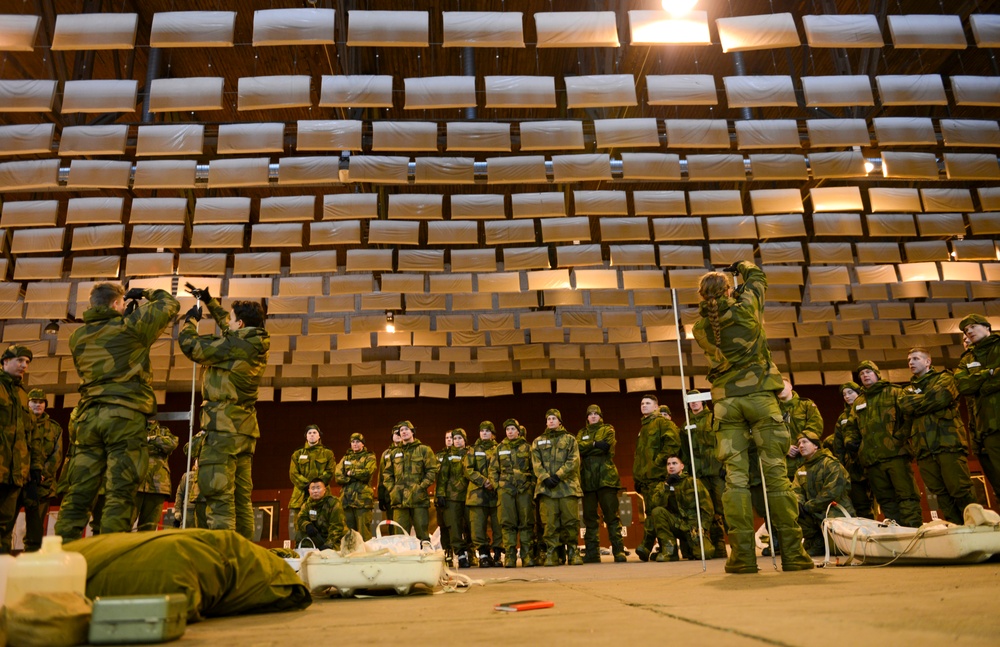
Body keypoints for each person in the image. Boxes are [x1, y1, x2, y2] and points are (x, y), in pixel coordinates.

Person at [692, 261, 814, 573]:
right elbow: (758, 277)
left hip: (726, 402)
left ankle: (743, 557)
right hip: (761, 398)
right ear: (729, 289)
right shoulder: (747, 307)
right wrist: (740, 266)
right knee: (776, 479)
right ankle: (794, 555)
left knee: (735, 481)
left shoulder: (700, 328)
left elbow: (721, 310)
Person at [56, 283, 179, 541]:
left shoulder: (76, 337)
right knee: (121, 491)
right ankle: (111, 553)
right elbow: (169, 304)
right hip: (124, 417)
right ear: (115, 304)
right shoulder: (131, 327)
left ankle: (61, 552)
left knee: (79, 491)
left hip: (88, 418)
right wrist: (147, 292)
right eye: (121, 303)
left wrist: (125, 314)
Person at [178, 285, 269, 539]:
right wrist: (208, 301)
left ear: (240, 324)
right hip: (244, 432)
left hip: (222, 431)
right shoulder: (253, 342)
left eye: (231, 319)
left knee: (219, 498)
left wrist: (189, 322)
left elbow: (190, 346)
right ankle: (244, 557)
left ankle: (224, 561)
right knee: (241, 501)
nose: (227, 323)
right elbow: (230, 327)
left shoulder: (233, 346)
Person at [901, 347, 977, 525]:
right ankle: (957, 529)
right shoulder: (907, 390)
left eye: (916, 358)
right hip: (924, 450)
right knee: (940, 493)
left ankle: (976, 526)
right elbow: (906, 406)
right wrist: (928, 399)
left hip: (948, 444)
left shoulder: (945, 378)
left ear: (928, 362)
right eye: (909, 360)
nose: (911, 362)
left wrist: (919, 402)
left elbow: (941, 398)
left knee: (960, 489)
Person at [843, 360, 923, 528]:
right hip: (872, 460)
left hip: (896, 454)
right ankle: (896, 532)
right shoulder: (858, 402)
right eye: (861, 374)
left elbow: (909, 417)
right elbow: (851, 426)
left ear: (877, 374)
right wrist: (853, 443)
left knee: (906, 494)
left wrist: (899, 438)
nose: (864, 375)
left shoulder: (895, 392)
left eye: (868, 372)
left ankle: (912, 530)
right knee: (885, 498)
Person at [954, 313, 1000, 500]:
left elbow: (972, 385)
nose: (969, 332)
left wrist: (980, 386)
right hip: (984, 427)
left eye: (972, 327)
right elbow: (964, 386)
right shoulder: (966, 359)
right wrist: (989, 374)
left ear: (987, 327)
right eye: (966, 330)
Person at [0, 346, 41, 553]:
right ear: (5, 362)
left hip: (15, 475)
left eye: (27, 362)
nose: (24, 365)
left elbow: (31, 435)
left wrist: (34, 468)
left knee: (5, 527)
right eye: (20, 360)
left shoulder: (23, 395)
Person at [531, 409, 583, 566]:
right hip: (547, 489)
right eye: (548, 419)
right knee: (549, 523)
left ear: (560, 421)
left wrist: (558, 475)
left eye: (554, 418)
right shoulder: (538, 441)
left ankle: (573, 552)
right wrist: (545, 477)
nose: (551, 421)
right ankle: (552, 553)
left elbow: (574, 460)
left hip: (567, 487)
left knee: (570, 521)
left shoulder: (570, 440)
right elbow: (535, 462)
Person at [576, 405, 626, 563]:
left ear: (600, 416)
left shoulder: (608, 429)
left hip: (606, 479)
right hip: (588, 480)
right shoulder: (582, 433)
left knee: (611, 516)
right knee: (590, 518)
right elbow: (578, 449)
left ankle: (618, 551)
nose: (593, 416)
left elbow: (607, 448)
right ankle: (592, 553)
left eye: (595, 414)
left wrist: (590, 447)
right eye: (590, 414)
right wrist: (594, 444)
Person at [792, 431, 854, 557]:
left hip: (834, 509)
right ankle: (816, 541)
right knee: (793, 510)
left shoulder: (830, 464)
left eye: (805, 442)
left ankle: (827, 542)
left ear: (816, 446)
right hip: (813, 511)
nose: (801, 446)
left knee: (838, 549)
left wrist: (809, 506)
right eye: (799, 444)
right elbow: (796, 490)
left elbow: (832, 492)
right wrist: (798, 503)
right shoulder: (801, 470)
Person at [633, 394, 680, 561]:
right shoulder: (644, 428)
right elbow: (639, 456)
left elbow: (673, 443)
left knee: (658, 513)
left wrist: (658, 463)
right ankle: (660, 548)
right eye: (642, 403)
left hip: (658, 477)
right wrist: (638, 477)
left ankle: (665, 549)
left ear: (655, 407)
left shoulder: (662, 423)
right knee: (652, 513)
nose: (644, 405)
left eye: (648, 403)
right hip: (646, 480)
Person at [645, 455, 715, 562]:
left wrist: (703, 528)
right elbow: (654, 505)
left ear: (682, 466)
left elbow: (707, 508)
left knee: (705, 553)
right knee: (657, 511)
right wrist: (667, 486)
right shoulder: (662, 485)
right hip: (676, 525)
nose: (671, 466)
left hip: (692, 527)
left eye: (674, 463)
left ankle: (690, 547)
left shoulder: (693, 483)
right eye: (668, 464)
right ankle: (670, 551)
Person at [685, 390, 727, 557]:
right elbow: (684, 451)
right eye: (691, 400)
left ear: (703, 402)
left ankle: (729, 546)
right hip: (698, 474)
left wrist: (725, 465)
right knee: (705, 509)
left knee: (722, 508)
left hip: (716, 471)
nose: (694, 403)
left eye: (697, 400)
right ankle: (714, 546)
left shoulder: (714, 418)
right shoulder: (686, 424)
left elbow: (723, 442)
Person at [489, 419, 536, 567]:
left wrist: (532, 486)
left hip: (524, 490)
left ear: (518, 431)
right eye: (507, 429)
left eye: (512, 429)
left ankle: (527, 556)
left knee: (526, 523)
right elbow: (493, 470)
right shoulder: (499, 448)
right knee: (507, 524)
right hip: (506, 491)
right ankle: (510, 557)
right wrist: (498, 486)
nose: (509, 432)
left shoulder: (528, 448)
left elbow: (535, 469)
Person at [19, 388, 61, 551]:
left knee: (35, 534)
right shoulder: (19, 423)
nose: (37, 405)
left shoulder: (54, 428)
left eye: (41, 402)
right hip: (17, 481)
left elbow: (56, 456)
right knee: (5, 527)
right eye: (34, 402)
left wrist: (42, 474)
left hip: (41, 486)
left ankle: (30, 569)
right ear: (27, 403)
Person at [383, 421, 439, 542]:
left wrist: (421, 486)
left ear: (412, 432)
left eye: (406, 429)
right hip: (399, 500)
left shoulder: (424, 450)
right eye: (401, 431)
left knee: (423, 535)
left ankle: (424, 558)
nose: (403, 432)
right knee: (400, 537)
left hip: (418, 499)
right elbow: (387, 474)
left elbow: (432, 470)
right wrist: (392, 489)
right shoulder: (394, 453)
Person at [831, 382, 874, 518]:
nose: (847, 396)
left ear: (858, 392)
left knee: (885, 499)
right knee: (860, 504)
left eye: (850, 392)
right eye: (844, 394)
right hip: (854, 467)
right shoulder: (843, 418)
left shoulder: (870, 409)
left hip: (873, 461)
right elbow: (838, 446)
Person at [287, 424, 335, 542]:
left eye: (314, 432)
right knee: (299, 529)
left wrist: (317, 486)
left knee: (324, 527)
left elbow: (330, 472)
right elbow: (293, 474)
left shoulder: (327, 453)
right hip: (301, 496)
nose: (312, 435)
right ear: (306, 436)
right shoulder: (297, 454)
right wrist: (308, 486)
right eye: (309, 433)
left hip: (322, 498)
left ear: (319, 436)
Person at [464, 421, 501, 567]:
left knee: (499, 525)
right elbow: (468, 469)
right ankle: (483, 555)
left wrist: (494, 482)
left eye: (487, 431)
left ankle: (497, 554)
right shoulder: (472, 450)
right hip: (477, 494)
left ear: (493, 434)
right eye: (482, 431)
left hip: (496, 494)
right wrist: (484, 481)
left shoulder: (500, 449)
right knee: (478, 526)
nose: (484, 433)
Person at [133, 418, 178, 531]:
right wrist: (158, 445)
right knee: (124, 523)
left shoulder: (164, 431)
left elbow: (172, 443)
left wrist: (150, 439)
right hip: (135, 482)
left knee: (149, 527)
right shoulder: (134, 428)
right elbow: (131, 444)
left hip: (157, 485)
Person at [777, 378, 824, 481]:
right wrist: (785, 447)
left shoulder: (806, 405)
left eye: (782, 385)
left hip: (806, 460)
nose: (779, 388)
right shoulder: (773, 410)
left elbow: (815, 426)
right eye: (777, 386)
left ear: (790, 386)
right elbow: (770, 434)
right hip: (783, 463)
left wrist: (801, 443)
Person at [437, 429, 471, 567]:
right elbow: (442, 477)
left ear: (465, 440)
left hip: (470, 495)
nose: (457, 441)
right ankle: (461, 554)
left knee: (471, 526)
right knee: (454, 527)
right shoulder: (448, 456)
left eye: (459, 438)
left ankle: (473, 553)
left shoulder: (472, 453)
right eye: (454, 438)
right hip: (453, 496)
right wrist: (440, 494)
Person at [335, 432, 376, 541]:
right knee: (348, 533)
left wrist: (351, 473)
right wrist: (353, 477)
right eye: (353, 442)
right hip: (347, 501)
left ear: (363, 444)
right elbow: (338, 476)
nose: (355, 444)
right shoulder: (345, 458)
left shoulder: (369, 457)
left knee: (364, 533)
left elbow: (367, 473)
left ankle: (365, 557)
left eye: (358, 441)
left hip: (362, 501)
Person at [296, 478, 351, 552]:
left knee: (334, 553)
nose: (315, 491)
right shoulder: (307, 505)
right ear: (309, 491)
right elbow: (300, 519)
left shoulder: (334, 503)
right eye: (313, 488)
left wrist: (328, 545)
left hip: (336, 538)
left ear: (324, 490)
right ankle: (303, 554)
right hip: (319, 536)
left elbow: (337, 527)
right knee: (300, 533)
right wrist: (307, 525)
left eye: (318, 488)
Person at [434, 430, 453, 559]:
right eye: (447, 438)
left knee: (463, 525)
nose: (449, 440)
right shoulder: (438, 456)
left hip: (457, 495)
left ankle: (468, 552)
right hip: (441, 495)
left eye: (451, 437)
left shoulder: (465, 453)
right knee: (444, 526)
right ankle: (447, 550)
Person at [377, 425, 401, 522]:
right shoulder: (386, 454)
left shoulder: (410, 451)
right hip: (390, 496)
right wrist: (381, 496)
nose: (398, 435)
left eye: (400, 433)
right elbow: (381, 476)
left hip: (407, 495)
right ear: (392, 436)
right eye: (396, 433)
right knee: (393, 526)